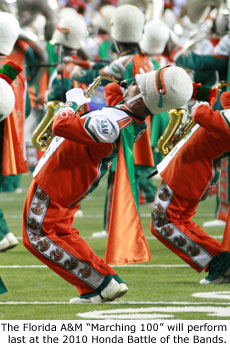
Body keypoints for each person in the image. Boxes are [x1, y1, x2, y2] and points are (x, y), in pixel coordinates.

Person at [22, 65, 193, 303]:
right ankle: (101, 283)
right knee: (63, 233)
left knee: (37, 236)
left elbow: (60, 125)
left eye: (135, 84)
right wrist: (130, 82)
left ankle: (99, 282)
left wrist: (71, 103)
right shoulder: (130, 117)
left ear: (142, 97)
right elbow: (115, 89)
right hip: (72, 181)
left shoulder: (112, 124)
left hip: (57, 181)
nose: (129, 83)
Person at [150, 87, 230, 285]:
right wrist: (209, 96)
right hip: (194, 168)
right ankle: (222, 262)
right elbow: (226, 99)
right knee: (182, 221)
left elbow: (201, 114)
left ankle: (219, 263)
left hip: (187, 170)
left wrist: (203, 102)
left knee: (162, 223)